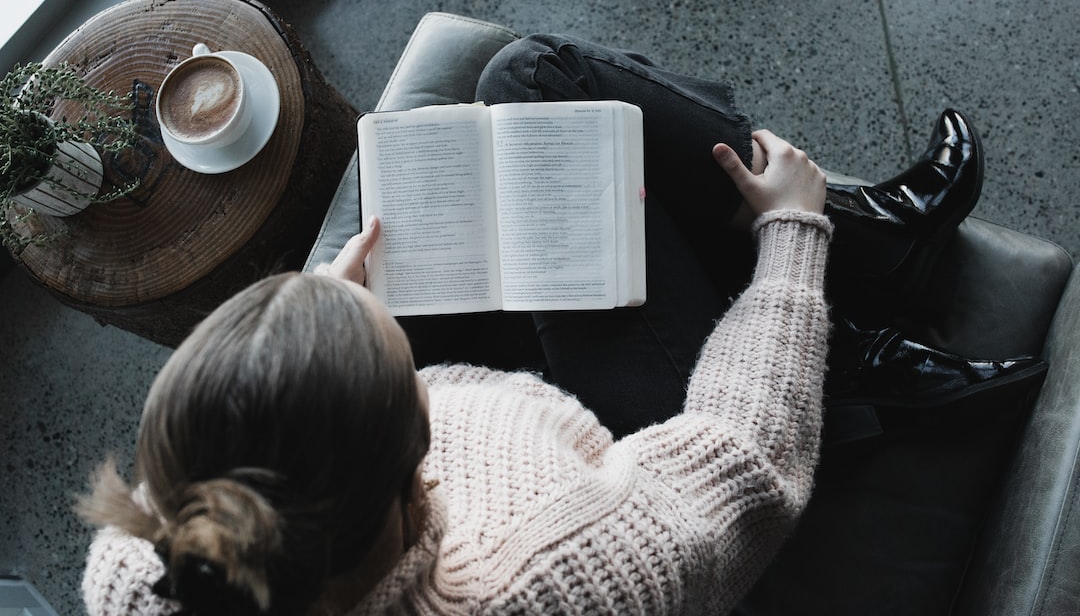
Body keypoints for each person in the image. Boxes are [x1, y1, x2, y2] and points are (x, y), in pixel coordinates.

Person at [77, 35, 1037, 615]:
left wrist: (321, 320)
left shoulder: (146, 566)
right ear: (413, 460)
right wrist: (794, 234)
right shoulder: (553, 580)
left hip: (470, 426)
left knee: (526, 86)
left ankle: (866, 268)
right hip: (608, 450)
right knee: (537, 82)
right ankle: (847, 278)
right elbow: (746, 456)